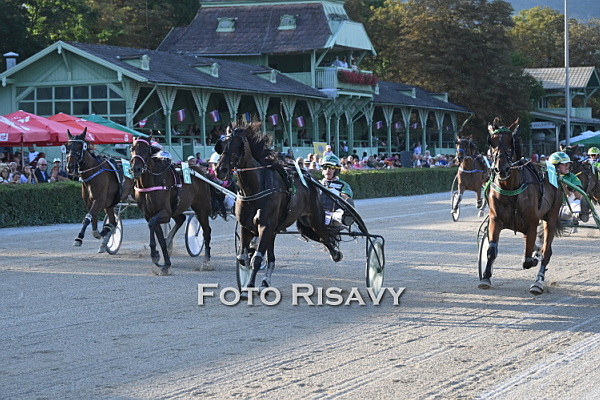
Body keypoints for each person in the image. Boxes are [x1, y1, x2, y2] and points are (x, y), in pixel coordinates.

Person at [549, 151, 589, 223]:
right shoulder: (547, 177)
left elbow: (580, 195)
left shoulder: (572, 177)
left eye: (568, 164)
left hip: (565, 208)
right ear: (555, 166)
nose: (567, 166)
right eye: (564, 164)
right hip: (548, 209)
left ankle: (579, 214)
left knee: (576, 203)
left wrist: (569, 188)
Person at [320, 154, 354, 226]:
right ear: (322, 170)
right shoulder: (317, 183)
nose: (328, 170)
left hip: (335, 214)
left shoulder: (343, 185)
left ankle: (346, 217)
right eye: (325, 167)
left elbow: (346, 198)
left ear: (336, 170)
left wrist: (335, 192)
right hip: (317, 212)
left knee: (340, 214)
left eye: (331, 167)